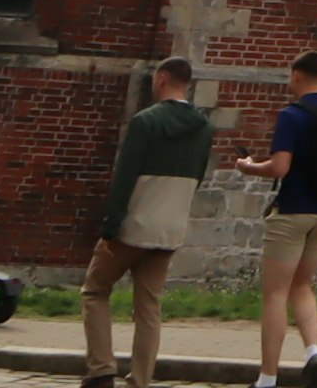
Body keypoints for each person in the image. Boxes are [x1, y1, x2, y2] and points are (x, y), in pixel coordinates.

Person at [85, 57, 213, 388]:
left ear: (162, 79)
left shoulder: (145, 123)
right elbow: (197, 177)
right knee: (148, 307)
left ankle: (101, 369)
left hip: (134, 225)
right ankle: (140, 379)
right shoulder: (204, 128)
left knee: (95, 290)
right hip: (170, 229)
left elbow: (124, 178)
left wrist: (110, 227)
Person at [234, 51, 317, 388]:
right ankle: (313, 352)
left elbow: (279, 168)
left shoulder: (292, 115)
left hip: (293, 211)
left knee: (275, 293)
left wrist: (248, 166)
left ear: (298, 75)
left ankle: (267, 379)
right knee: (303, 286)